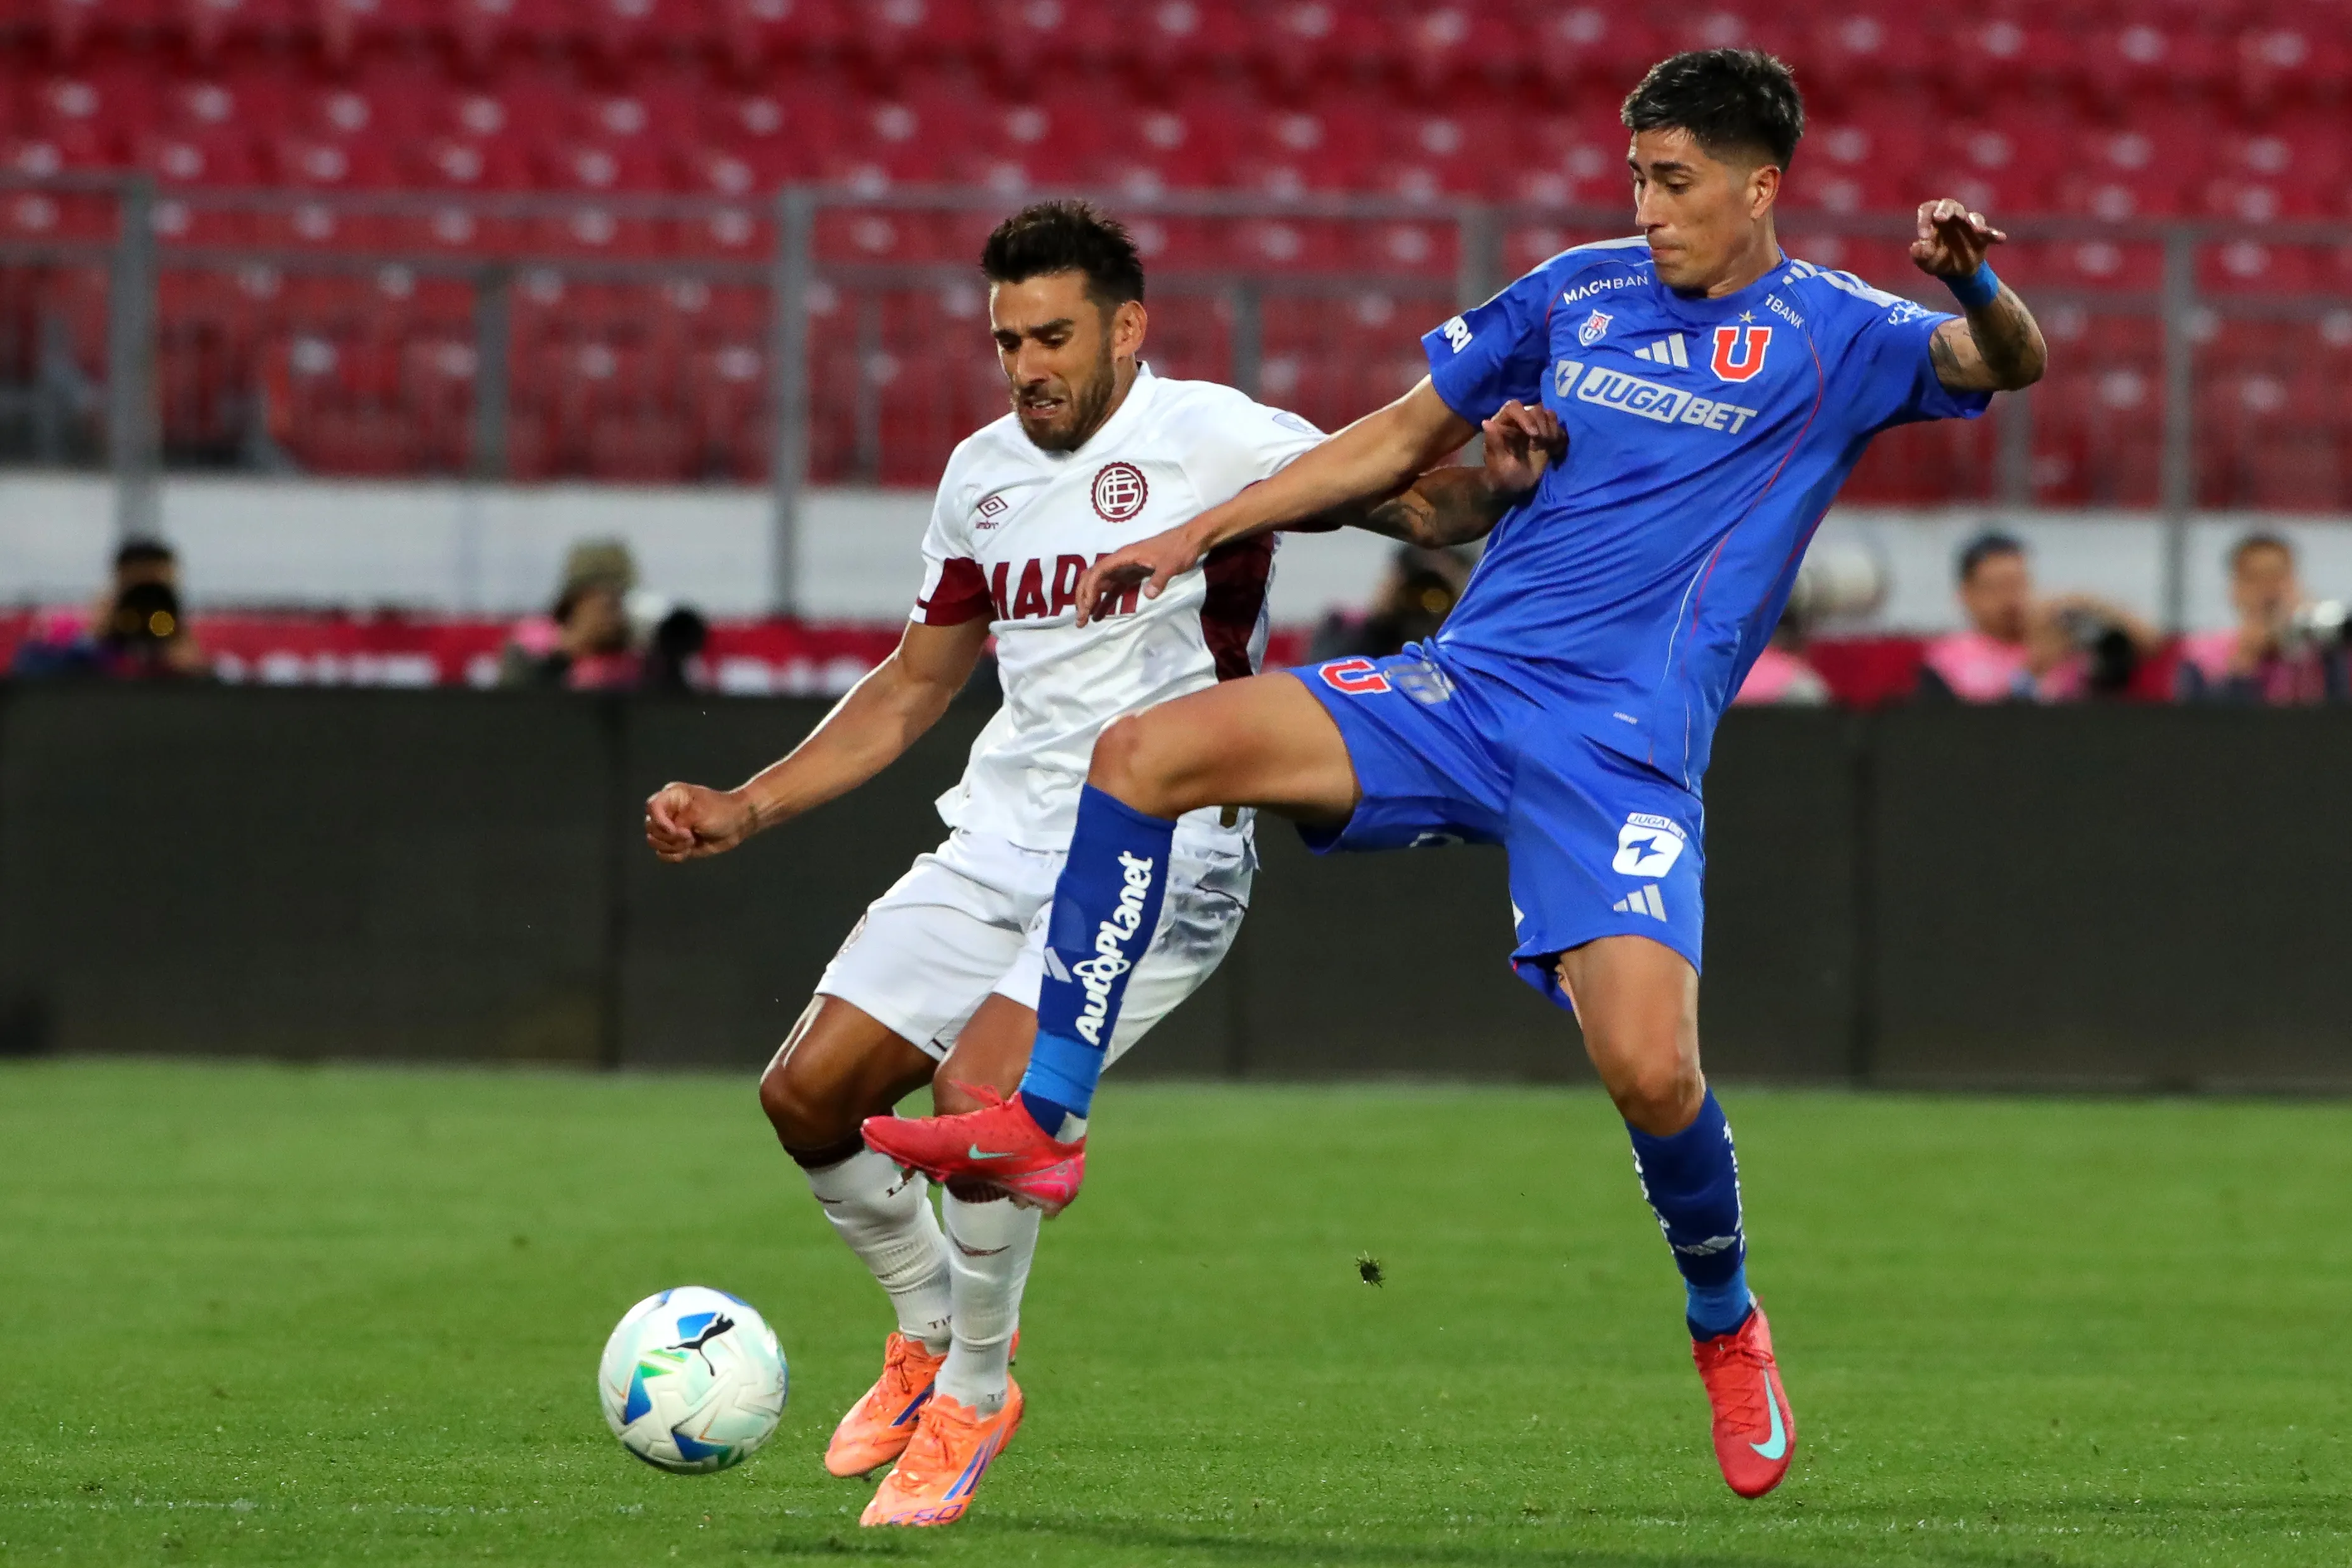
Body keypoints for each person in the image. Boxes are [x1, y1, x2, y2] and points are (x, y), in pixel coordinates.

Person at [865, 50, 2049, 1502]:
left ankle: (1722, 1322)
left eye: (1672, 183)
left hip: (1615, 755)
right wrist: (1195, 533)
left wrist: (1972, 287)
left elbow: (1998, 364)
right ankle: (1046, 1118)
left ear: (1759, 186)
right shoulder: (1571, 292)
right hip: (1458, 691)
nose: (1645, 207)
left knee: (1649, 1067)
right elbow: (1389, 444)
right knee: (1145, 750)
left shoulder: (1833, 334)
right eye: (1633, 176)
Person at [641, 201, 1527, 1529]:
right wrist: (746, 807)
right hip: (996, 837)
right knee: (803, 1097)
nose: (1025, 365)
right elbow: (909, 689)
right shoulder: (978, 474)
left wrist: (1498, 481)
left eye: (1051, 335)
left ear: (1125, 328)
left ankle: (978, 1392)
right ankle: (930, 1328)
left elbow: (1410, 498)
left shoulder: (1214, 436)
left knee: (985, 1091)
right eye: (1006, 340)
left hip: (1163, 848)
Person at [1915, 532, 2158, 702]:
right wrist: (2033, 671)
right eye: (1997, 587)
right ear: (1967, 595)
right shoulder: (1947, 664)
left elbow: (2149, 643)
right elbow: (1961, 735)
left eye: (2018, 585)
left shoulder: (2064, 639)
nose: (2010, 599)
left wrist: (2086, 601)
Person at [2176, 532, 2347, 704]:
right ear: (2234, 589)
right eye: (2254, 579)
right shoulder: (2201, 657)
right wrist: (2244, 662)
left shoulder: (2321, 651)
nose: (2268, 589)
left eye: (2278, 577)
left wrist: (2326, 647)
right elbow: (2203, 723)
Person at [11, 539, 209, 681]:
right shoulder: (71, 643)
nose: (145, 608)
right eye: (137, 593)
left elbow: (233, 685)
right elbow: (24, 680)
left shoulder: (195, 646)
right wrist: (89, 643)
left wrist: (197, 671)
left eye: (157, 595)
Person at [499, 539, 641, 690]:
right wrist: (570, 651)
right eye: (611, 603)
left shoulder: (631, 658)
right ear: (578, 600)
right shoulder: (528, 651)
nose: (617, 614)